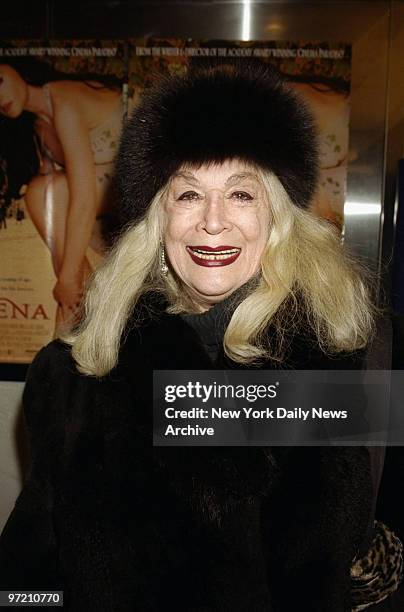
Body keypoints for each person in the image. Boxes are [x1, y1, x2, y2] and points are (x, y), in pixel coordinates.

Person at [0, 60, 403, 611]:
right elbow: (27, 579)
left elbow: (361, 558)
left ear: (277, 216)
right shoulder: (74, 375)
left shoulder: (352, 352)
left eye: (241, 194)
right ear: (157, 219)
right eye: (187, 195)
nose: (213, 221)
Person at [0, 58, 123, 331]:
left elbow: (83, 198)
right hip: (102, 211)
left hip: (138, 194)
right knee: (41, 189)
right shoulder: (38, 124)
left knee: (46, 190)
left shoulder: (63, 97)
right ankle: (83, 303)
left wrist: (66, 280)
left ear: (16, 67)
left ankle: (78, 300)